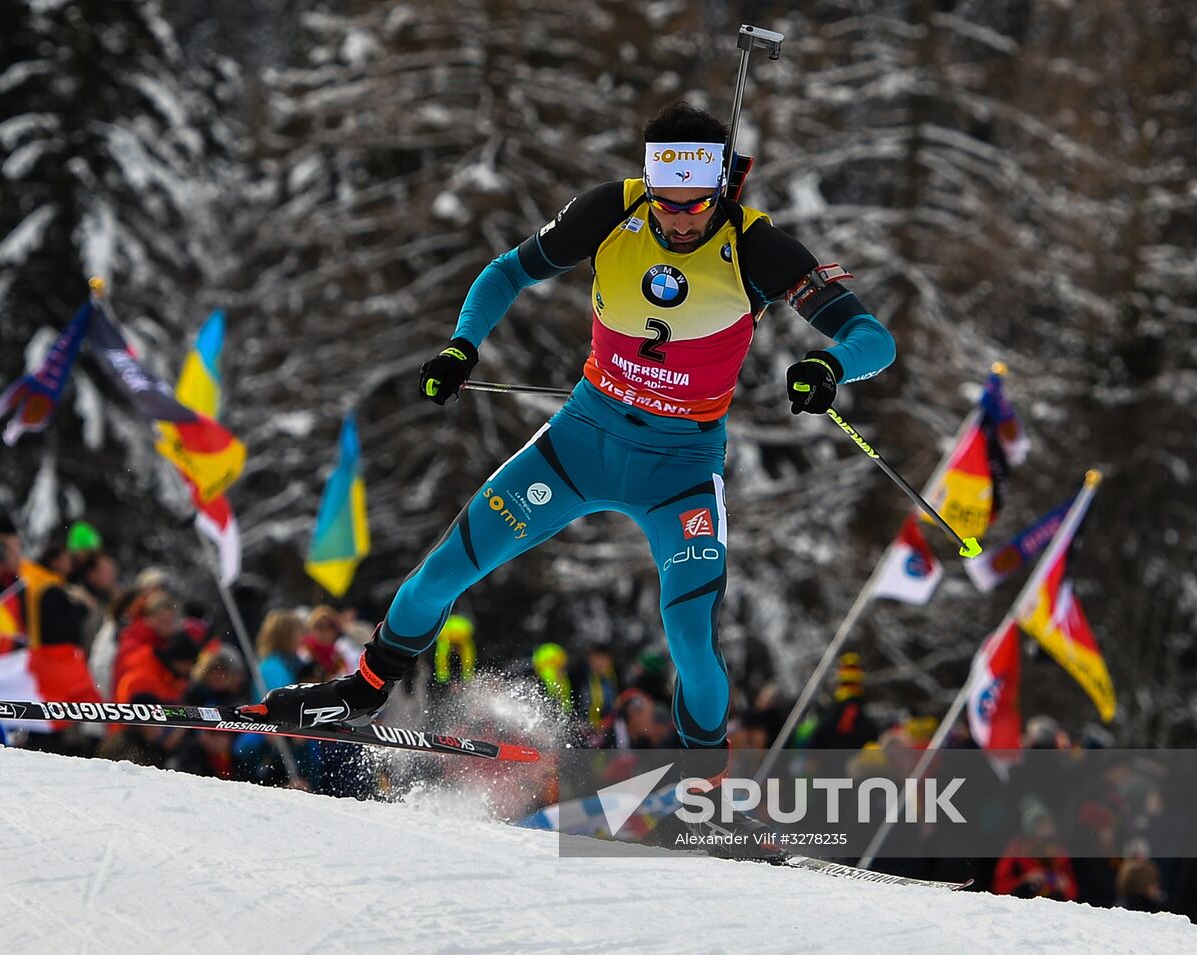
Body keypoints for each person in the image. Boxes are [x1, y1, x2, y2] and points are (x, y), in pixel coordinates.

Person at [258, 101, 895, 777]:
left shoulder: (759, 248)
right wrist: (461, 349)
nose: (679, 220)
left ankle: (707, 789)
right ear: (649, 186)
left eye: (695, 205)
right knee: (438, 573)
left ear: (722, 189)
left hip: (679, 471)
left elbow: (872, 339)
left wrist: (829, 364)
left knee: (691, 643)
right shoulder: (609, 213)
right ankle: (360, 693)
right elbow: (507, 271)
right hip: (578, 446)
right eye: (666, 203)